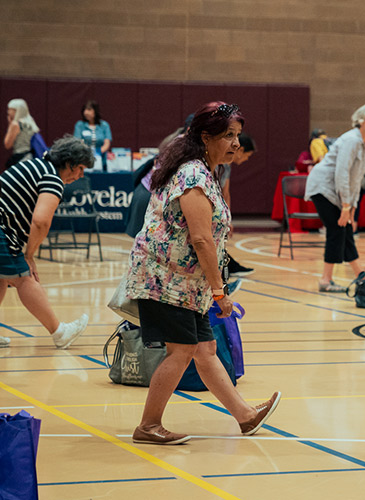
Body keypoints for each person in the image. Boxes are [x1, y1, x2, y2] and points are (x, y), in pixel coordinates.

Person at [120, 102, 280, 444]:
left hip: (186, 284)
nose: (236, 143)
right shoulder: (193, 174)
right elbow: (201, 239)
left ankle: (246, 416)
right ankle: (148, 425)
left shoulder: (208, 171)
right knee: (181, 351)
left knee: (205, 350)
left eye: (237, 136)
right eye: (229, 136)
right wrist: (220, 291)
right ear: (206, 138)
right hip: (165, 281)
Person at [0, 137, 91, 349]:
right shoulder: (52, 178)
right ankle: (60, 332)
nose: (81, 175)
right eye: (79, 169)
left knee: (2, 279)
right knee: (24, 278)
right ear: (69, 164)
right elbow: (41, 222)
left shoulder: (37, 165)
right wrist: (29, 255)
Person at [304, 103, 365, 292]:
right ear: (361, 120)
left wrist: (352, 206)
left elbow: (356, 179)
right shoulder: (352, 140)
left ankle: (360, 275)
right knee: (337, 230)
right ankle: (326, 280)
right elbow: (342, 173)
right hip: (324, 187)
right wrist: (346, 206)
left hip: (336, 191)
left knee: (345, 229)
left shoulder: (363, 144)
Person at [219, 133, 255, 277]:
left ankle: (228, 268)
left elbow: (225, 193)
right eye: (248, 155)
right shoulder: (217, 164)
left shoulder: (227, 167)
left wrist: (228, 218)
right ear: (240, 150)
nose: (246, 159)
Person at [73, 100, 113, 169]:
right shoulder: (80, 125)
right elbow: (78, 142)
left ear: (95, 111)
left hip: (101, 159)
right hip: (84, 160)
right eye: (84, 110)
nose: (86, 112)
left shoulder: (104, 125)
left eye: (89, 110)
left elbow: (107, 143)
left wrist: (97, 152)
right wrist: (88, 154)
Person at [5, 99, 39, 168]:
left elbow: (7, 144)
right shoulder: (30, 122)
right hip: (29, 157)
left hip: (19, 158)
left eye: (11, 109)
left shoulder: (15, 124)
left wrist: (10, 125)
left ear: (17, 110)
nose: (8, 112)